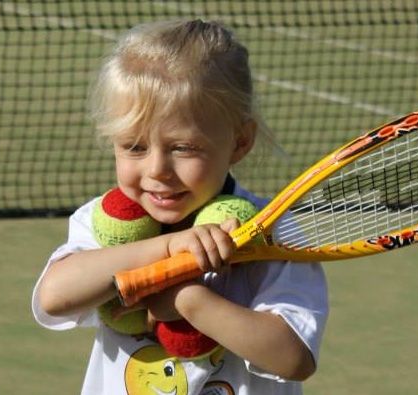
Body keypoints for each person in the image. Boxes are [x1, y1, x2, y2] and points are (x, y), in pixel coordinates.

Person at [32, 19, 328, 395]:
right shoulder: (106, 221)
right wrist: (169, 249)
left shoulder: (272, 232)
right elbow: (54, 296)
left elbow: (293, 359)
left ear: (240, 142)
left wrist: (185, 299)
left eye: (183, 148)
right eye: (134, 147)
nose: (157, 170)